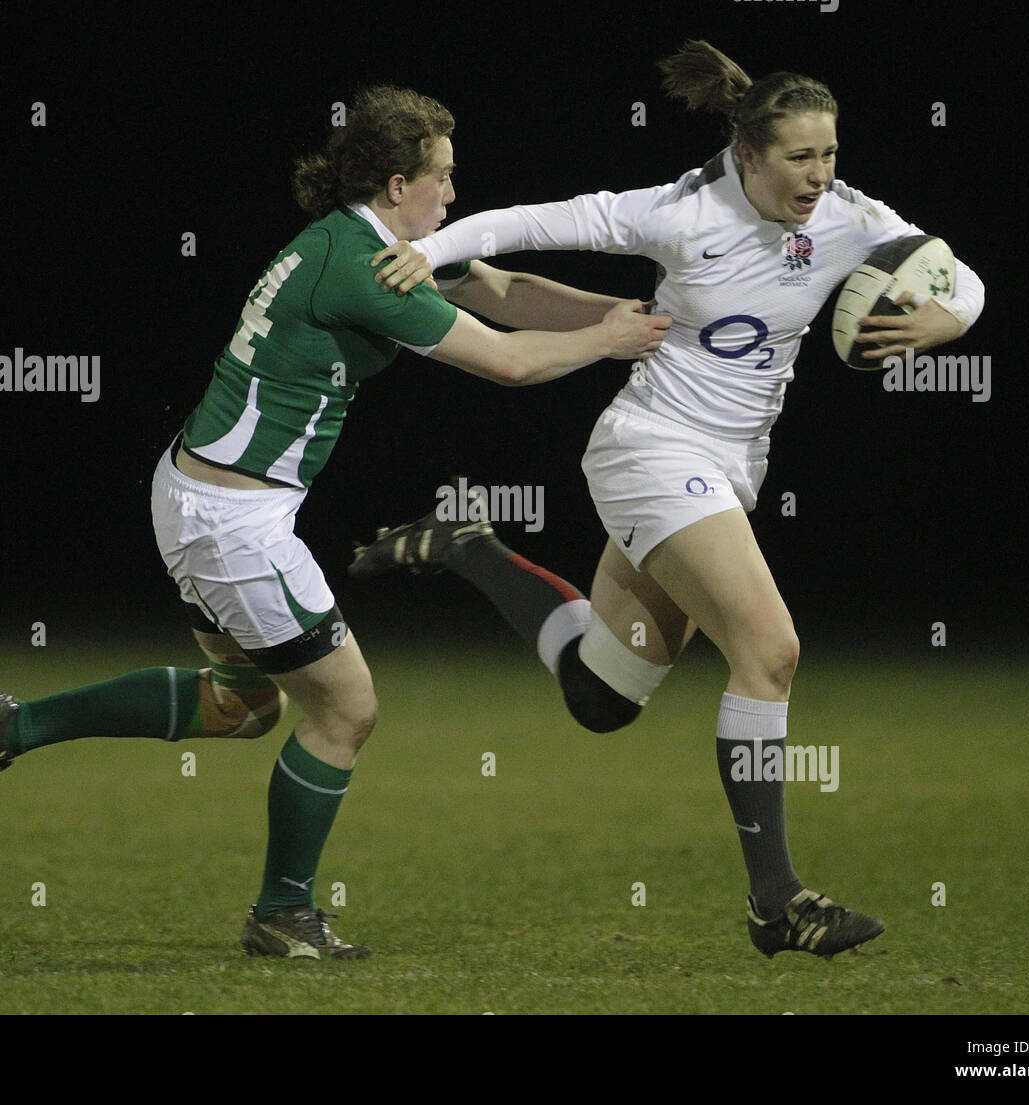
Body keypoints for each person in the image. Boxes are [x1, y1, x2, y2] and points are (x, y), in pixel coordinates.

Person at [0, 85, 671, 961]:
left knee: (240, 705)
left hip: (207, 495)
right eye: (443, 177)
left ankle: (8, 728)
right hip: (232, 519)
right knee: (347, 709)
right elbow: (507, 360)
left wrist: (625, 316)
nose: (454, 195)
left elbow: (503, 289)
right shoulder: (358, 267)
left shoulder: (372, 245)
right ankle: (281, 913)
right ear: (398, 184)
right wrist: (608, 341)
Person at [351, 41, 985, 958]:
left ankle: (464, 547)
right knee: (770, 650)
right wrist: (426, 248)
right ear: (749, 156)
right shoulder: (681, 213)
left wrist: (949, 316)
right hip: (650, 450)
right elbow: (535, 219)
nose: (821, 175)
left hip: (729, 470)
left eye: (831, 153)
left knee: (604, 695)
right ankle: (778, 902)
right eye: (801, 157)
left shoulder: (849, 217)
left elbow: (955, 269)